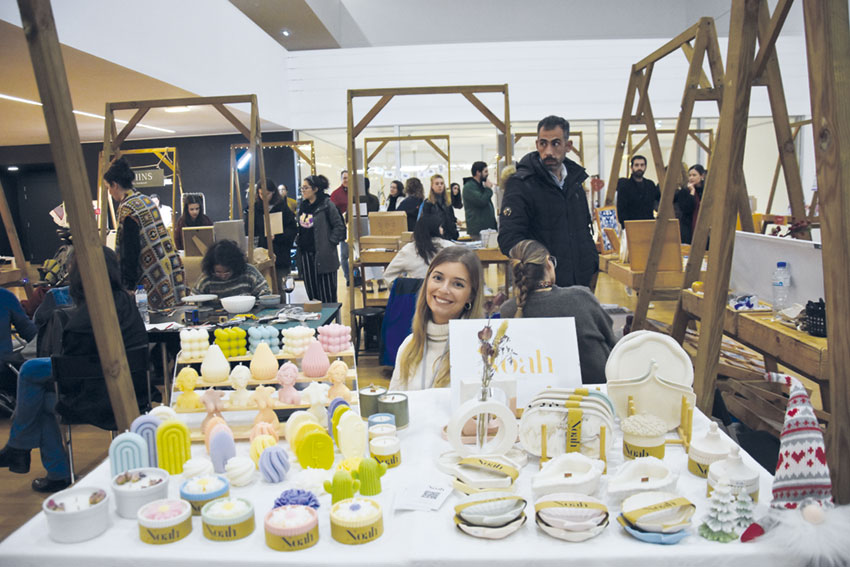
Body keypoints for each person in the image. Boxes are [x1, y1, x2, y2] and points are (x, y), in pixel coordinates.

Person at [0, 247, 148, 492]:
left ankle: (31, 455)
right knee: (36, 388)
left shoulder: (85, 317)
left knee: (32, 381)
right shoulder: (124, 302)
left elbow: (70, 373)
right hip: (132, 391)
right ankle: (23, 451)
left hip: (100, 400)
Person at [498, 115, 598, 288]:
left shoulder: (575, 182)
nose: (548, 151)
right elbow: (509, 239)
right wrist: (539, 267)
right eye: (543, 143)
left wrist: (592, 263)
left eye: (556, 143)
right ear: (537, 145)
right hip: (541, 287)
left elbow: (584, 230)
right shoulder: (521, 184)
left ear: (568, 146)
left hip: (581, 284)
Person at [499, 240, 616, 384]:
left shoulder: (509, 310)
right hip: (597, 389)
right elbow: (611, 341)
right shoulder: (581, 297)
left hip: (536, 395)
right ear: (549, 264)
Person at [389, 246, 484, 391]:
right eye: (438, 278)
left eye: (458, 284)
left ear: (471, 295)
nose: (444, 289)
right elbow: (394, 405)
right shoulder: (408, 346)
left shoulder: (481, 352)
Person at [106, 157, 185, 309]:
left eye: (108, 188)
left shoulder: (128, 209)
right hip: (165, 268)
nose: (109, 192)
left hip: (149, 277)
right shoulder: (146, 201)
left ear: (115, 185)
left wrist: (128, 284)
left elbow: (130, 249)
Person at [297, 174, 346, 302]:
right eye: (302, 188)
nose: (303, 191)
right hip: (306, 255)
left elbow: (340, 227)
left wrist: (330, 243)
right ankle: (318, 322)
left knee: (327, 296)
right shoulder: (303, 206)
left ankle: (330, 322)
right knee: (313, 297)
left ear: (315, 189)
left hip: (324, 256)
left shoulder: (327, 205)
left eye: (306, 188)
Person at [244, 177, 297, 278]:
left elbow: (292, 229)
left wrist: (278, 236)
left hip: (280, 255)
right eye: (260, 194)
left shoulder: (282, 207)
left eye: (267, 194)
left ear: (273, 192)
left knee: (280, 286)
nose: (263, 197)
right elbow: (249, 232)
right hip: (260, 257)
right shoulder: (254, 210)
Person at [383, 214, 452, 285]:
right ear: (436, 229)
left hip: (416, 294)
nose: (442, 229)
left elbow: (388, 276)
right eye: (440, 227)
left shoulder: (408, 250)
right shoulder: (450, 247)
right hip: (444, 293)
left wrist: (403, 289)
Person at [192, 239, 271, 298]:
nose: (223, 276)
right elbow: (193, 300)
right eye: (218, 272)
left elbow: (266, 294)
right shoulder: (207, 278)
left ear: (235, 266)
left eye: (227, 272)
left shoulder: (249, 273)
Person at [615, 154, 660, 228]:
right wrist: (625, 226)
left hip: (649, 225)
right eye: (636, 165)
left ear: (645, 167)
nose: (639, 168)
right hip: (631, 226)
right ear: (632, 167)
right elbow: (621, 209)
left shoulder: (650, 185)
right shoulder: (624, 186)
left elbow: (657, 202)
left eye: (642, 165)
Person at [674, 164, 706, 244]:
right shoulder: (684, 191)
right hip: (688, 228)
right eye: (690, 175)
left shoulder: (706, 191)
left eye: (694, 175)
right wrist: (692, 192)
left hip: (704, 227)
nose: (691, 178)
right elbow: (686, 208)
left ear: (702, 176)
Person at [462, 161, 497, 238]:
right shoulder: (469, 187)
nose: (487, 174)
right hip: (478, 230)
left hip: (487, 229)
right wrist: (488, 189)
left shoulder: (480, 186)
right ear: (478, 172)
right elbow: (481, 201)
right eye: (485, 171)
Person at [420, 174, 459, 241]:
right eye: (437, 184)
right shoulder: (428, 203)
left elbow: (451, 218)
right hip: (436, 237)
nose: (440, 186)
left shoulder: (448, 202)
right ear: (432, 186)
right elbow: (425, 222)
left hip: (450, 236)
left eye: (442, 183)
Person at [329, 170, 350, 286]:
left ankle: (358, 276)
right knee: (344, 255)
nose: (346, 180)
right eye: (344, 178)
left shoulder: (356, 192)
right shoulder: (336, 194)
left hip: (357, 228)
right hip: (343, 228)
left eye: (348, 178)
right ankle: (348, 277)